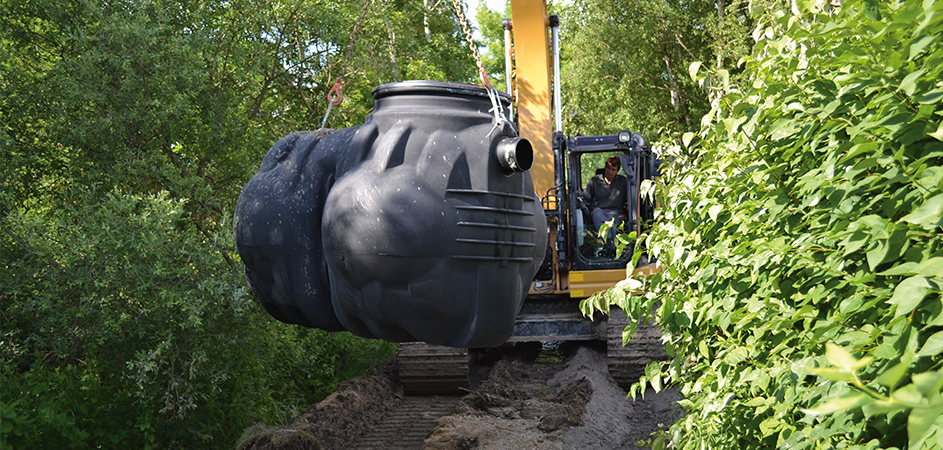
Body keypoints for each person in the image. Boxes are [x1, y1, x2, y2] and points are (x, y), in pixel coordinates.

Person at [584, 156, 626, 248]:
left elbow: (628, 200)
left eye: (613, 169)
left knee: (612, 224)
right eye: (608, 168)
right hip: (599, 211)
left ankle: (607, 244)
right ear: (605, 167)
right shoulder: (594, 181)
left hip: (615, 212)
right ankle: (609, 243)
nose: (610, 172)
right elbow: (586, 199)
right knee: (597, 213)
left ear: (617, 171)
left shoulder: (623, 182)